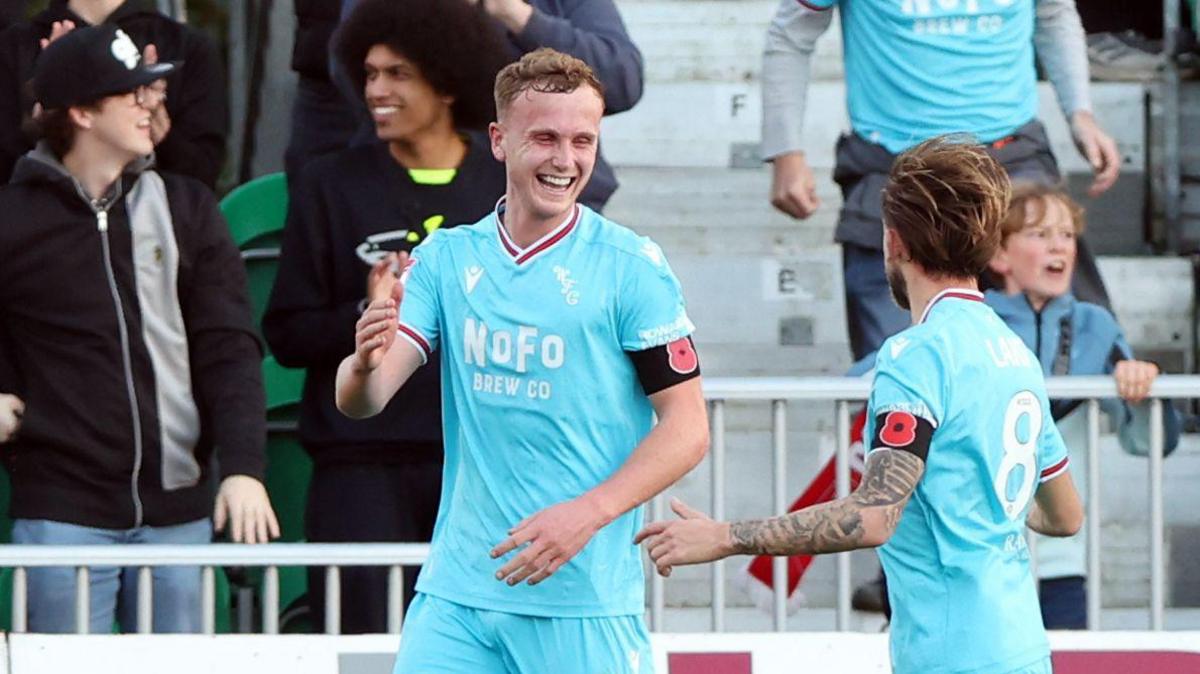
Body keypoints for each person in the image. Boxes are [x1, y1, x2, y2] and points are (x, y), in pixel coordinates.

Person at [636, 136, 1084, 674]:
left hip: (952, 657)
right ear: (989, 246)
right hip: (1023, 650)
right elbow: (1065, 516)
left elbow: (873, 517)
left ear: (893, 242)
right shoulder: (1016, 353)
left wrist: (726, 537)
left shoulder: (915, 353)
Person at [336, 49, 709, 673]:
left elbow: (688, 426)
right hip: (457, 597)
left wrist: (587, 515)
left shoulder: (629, 267)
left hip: (581, 601)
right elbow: (364, 401)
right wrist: (365, 363)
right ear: (499, 140)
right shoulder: (447, 258)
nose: (566, 160)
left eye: (582, 140)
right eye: (544, 137)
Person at [0, 24, 277, 634]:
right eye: (131, 94)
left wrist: (243, 468)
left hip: (179, 512)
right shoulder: (12, 220)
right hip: (61, 512)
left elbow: (229, 347)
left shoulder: (188, 207)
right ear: (81, 112)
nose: (150, 105)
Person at [262, 0, 510, 634]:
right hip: (359, 467)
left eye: (398, 73)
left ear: (448, 79)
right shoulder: (329, 183)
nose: (377, 90)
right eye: (369, 73)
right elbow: (287, 332)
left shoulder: (502, 185)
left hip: (480, 462)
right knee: (367, 647)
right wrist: (369, 314)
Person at [762, 0, 1122, 364]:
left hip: (1011, 153)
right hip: (896, 166)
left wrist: (1081, 113)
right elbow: (792, 32)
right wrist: (785, 150)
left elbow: (1053, 13)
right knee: (892, 366)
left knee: (1089, 353)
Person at [985, 182, 1180, 628]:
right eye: (1038, 234)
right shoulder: (969, 318)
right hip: (978, 554)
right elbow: (877, 372)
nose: (1058, 246)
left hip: (1063, 558)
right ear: (999, 256)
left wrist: (1143, 389)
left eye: (1067, 235)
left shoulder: (1096, 324)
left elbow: (1147, 443)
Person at [332, 0, 643, 211]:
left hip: (550, 199)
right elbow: (354, 68)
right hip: (410, 193)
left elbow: (621, 81)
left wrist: (517, 16)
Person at [0, 0, 228, 188]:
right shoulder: (14, 47)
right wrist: (45, 117)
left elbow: (203, 179)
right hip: (40, 232)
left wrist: (160, 134)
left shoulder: (186, 49)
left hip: (153, 233)